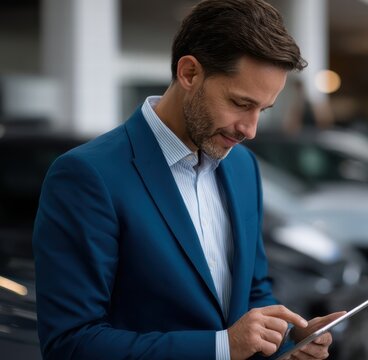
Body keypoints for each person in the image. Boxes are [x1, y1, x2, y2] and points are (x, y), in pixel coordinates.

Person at [32, 1, 344, 359]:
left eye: (263, 109)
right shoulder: (86, 175)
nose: (251, 129)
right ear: (190, 73)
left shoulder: (243, 167)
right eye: (241, 103)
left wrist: (289, 339)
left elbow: (254, 292)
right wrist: (221, 347)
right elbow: (70, 343)